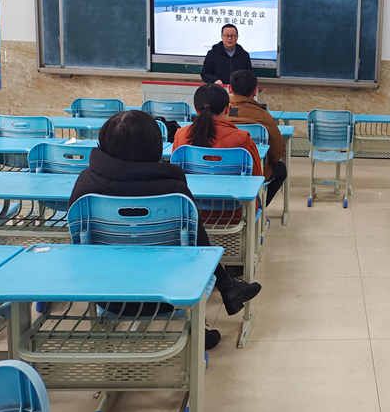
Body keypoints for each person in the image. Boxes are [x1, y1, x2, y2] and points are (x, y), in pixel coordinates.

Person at [69, 110, 262, 350]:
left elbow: (77, 245)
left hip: (104, 292)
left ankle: (227, 288)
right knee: (192, 232)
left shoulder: (85, 186)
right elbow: (196, 249)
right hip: (173, 293)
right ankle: (221, 295)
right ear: (155, 146)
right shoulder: (173, 190)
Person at [173, 83, 263, 178]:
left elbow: (175, 174)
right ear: (227, 109)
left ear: (196, 109)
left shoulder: (181, 135)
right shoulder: (243, 139)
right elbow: (256, 177)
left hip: (191, 187)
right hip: (231, 187)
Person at [227, 69, 287, 206]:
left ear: (230, 88)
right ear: (255, 91)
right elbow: (277, 152)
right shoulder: (263, 116)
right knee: (280, 169)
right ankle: (257, 206)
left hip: (219, 169)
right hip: (255, 171)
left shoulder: (221, 112)